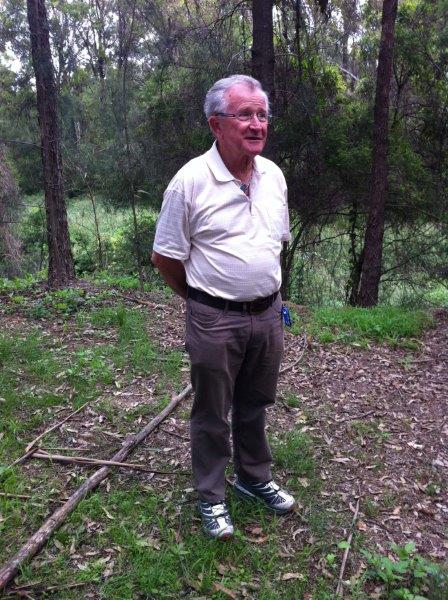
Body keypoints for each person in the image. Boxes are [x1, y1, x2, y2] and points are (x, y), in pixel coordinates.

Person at [152, 74, 295, 540]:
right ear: (216, 124)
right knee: (212, 412)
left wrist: (268, 299)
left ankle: (253, 477)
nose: (257, 124)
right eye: (245, 115)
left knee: (256, 403)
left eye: (262, 114)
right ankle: (212, 497)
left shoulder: (274, 176)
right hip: (214, 318)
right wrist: (203, 301)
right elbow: (165, 258)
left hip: (269, 315)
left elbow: (275, 244)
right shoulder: (189, 182)